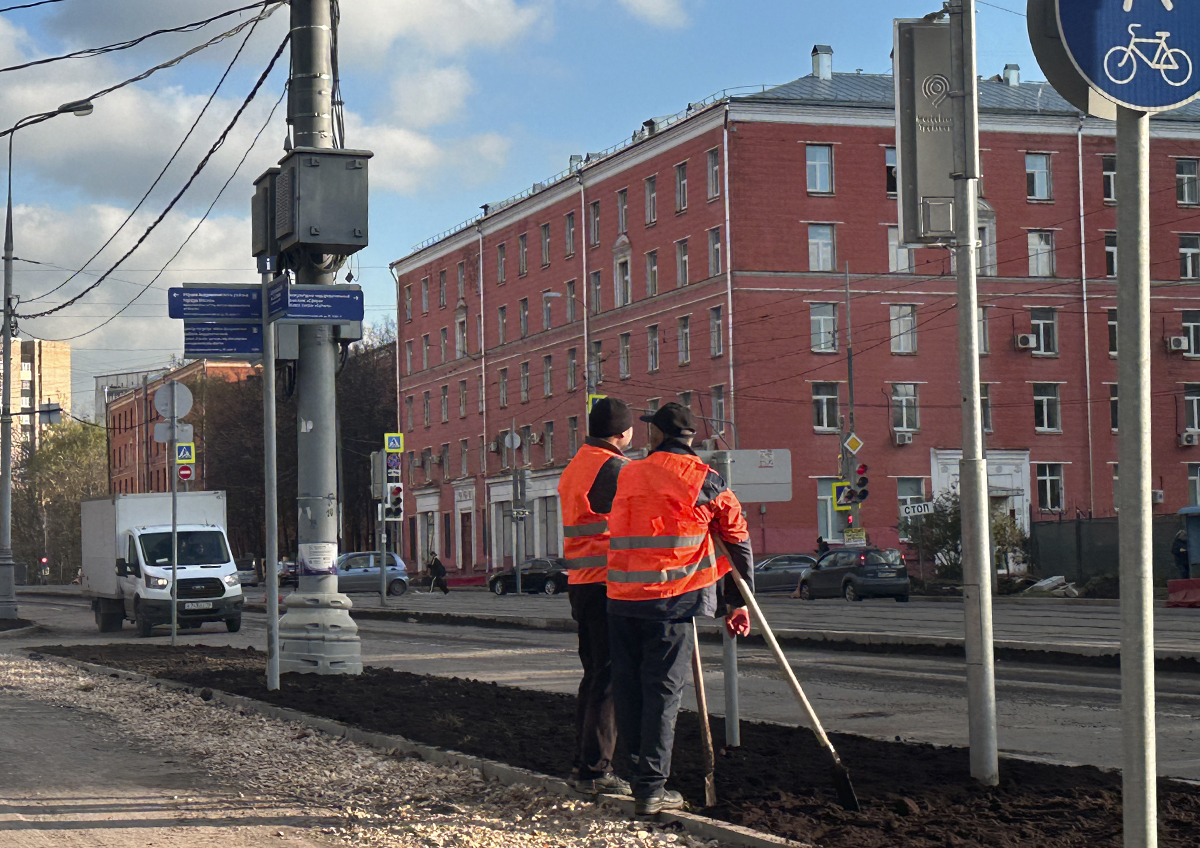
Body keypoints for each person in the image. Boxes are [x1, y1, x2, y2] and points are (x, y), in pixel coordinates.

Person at [606, 402, 753, 815]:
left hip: (620, 600)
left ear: (658, 435)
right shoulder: (706, 480)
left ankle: (637, 773)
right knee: (663, 693)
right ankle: (651, 789)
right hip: (670, 604)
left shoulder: (628, 472)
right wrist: (737, 603)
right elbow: (737, 540)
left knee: (630, 689)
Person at [557, 397, 634, 797]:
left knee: (593, 676)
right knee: (608, 678)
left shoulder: (576, 466)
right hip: (608, 583)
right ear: (622, 433)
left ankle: (582, 764)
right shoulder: (616, 467)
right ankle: (595, 770)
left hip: (581, 582)